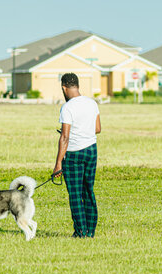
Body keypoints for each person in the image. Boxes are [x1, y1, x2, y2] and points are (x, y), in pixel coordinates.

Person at [53, 73, 101, 238]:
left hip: (74, 154)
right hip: (91, 151)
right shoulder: (92, 103)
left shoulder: (67, 107)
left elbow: (65, 138)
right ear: (77, 86)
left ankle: (80, 231)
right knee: (88, 191)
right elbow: (97, 128)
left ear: (64, 88)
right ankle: (91, 230)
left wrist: (58, 163)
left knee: (75, 194)